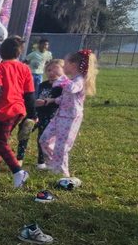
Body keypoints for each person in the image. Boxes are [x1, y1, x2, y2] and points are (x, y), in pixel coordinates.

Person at [0, 36, 34, 188]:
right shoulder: (25, 69)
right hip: (19, 110)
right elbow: (29, 94)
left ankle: (18, 172)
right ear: (19, 53)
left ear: (1, 52)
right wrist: (33, 115)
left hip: (4, 110)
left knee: (0, 142)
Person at [39, 49, 98, 180]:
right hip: (60, 115)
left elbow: (73, 89)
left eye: (65, 63)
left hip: (71, 117)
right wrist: (52, 100)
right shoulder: (72, 79)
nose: (63, 66)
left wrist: (62, 78)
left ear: (73, 65)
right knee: (44, 139)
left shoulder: (79, 80)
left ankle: (62, 173)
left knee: (62, 146)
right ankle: (53, 164)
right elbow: (66, 97)